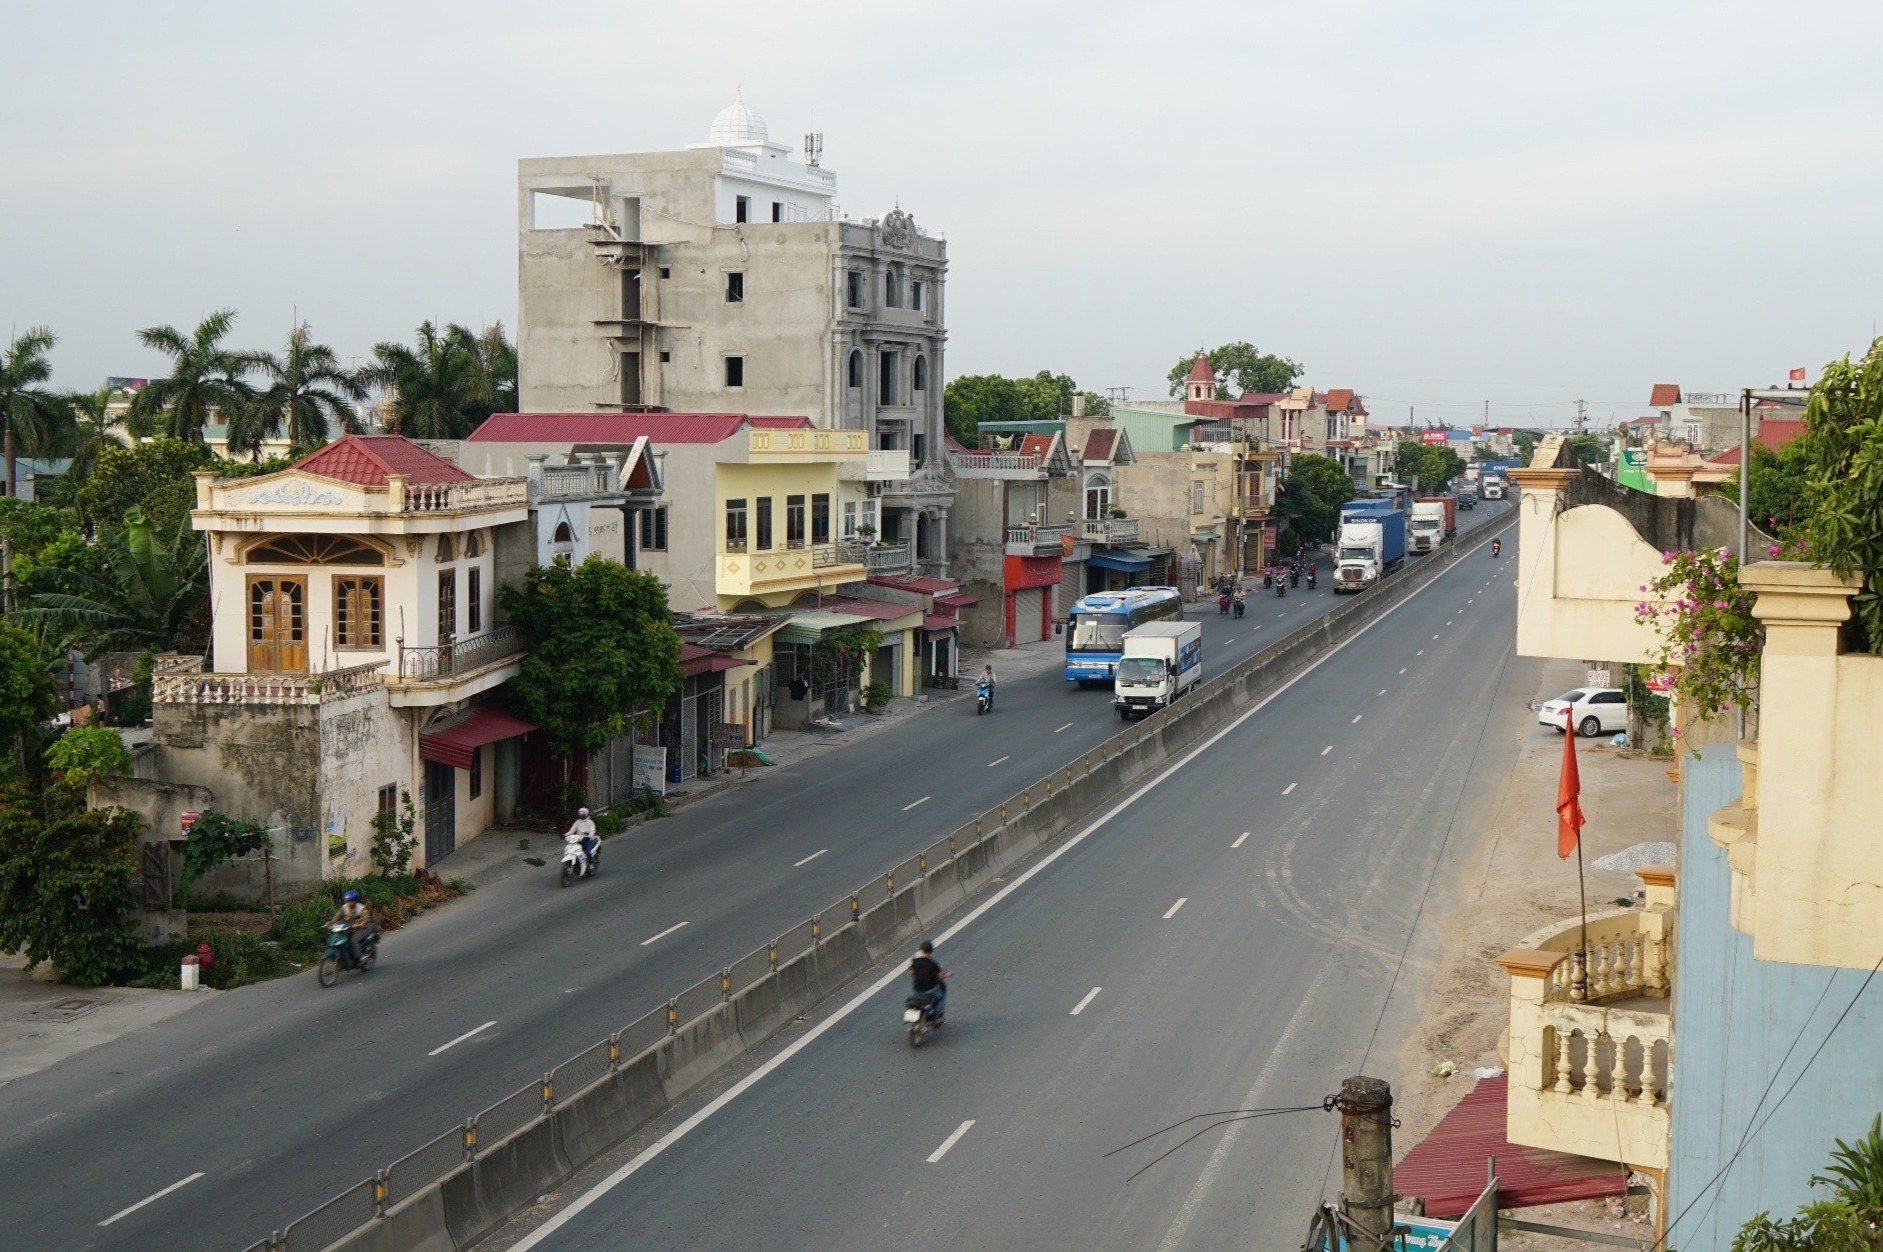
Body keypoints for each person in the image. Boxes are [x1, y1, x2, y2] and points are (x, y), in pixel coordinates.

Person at [909, 939, 949, 1022]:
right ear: (931, 952)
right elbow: (940, 976)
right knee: (941, 996)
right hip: (930, 990)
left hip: (917, 990)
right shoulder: (932, 964)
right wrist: (948, 974)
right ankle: (937, 1016)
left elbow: (911, 973)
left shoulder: (915, 961)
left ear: (921, 950)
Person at [329, 889, 371, 964]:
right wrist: (330, 922)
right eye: (347, 901)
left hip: (360, 929)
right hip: (348, 928)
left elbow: (366, 919)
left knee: (353, 940)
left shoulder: (361, 908)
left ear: (355, 901)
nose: (348, 903)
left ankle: (359, 958)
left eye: (350, 901)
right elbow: (337, 917)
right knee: (340, 939)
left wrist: (361, 924)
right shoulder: (344, 908)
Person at [564, 806, 599, 871]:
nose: (580, 815)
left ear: (586, 814)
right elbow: (572, 830)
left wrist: (589, 836)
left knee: (588, 852)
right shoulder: (578, 822)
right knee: (572, 850)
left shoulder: (590, 822)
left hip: (588, 840)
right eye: (580, 814)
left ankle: (591, 864)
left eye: (582, 814)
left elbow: (592, 831)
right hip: (578, 839)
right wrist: (565, 834)